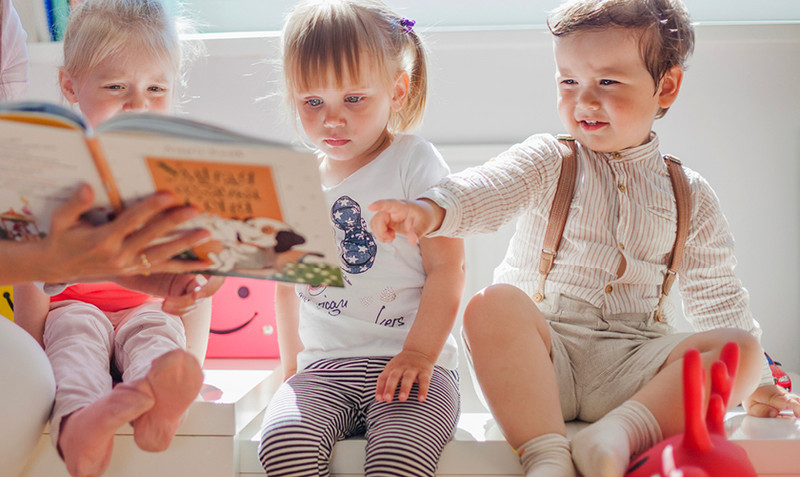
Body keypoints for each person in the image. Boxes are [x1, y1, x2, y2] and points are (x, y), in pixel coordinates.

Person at [369, 1, 800, 476]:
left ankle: (617, 434)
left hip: (637, 364)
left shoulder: (690, 192)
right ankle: (545, 454)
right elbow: (486, 188)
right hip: (545, 356)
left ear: (666, 86)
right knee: (491, 304)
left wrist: (759, 383)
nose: (584, 101)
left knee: (739, 347)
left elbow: (717, 295)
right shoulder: (550, 159)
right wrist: (429, 211)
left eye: (608, 82)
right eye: (568, 82)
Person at [0, 1, 216, 476]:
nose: (137, 104)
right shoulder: (56, 169)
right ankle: (80, 427)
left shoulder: (181, 172)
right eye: (117, 87)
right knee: (74, 347)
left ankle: (162, 413)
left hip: (148, 309)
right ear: (69, 86)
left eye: (156, 88)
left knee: (159, 342)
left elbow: (197, 285)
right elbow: (30, 279)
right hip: (72, 306)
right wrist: (32, 358)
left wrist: (193, 364)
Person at [258, 1, 465, 476]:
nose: (333, 120)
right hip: (324, 370)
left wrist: (418, 354)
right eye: (313, 102)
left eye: (353, 99)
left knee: (399, 454)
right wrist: (291, 368)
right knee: (281, 445)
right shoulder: (297, 179)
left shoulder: (414, 161)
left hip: (411, 364)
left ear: (397, 91)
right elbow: (289, 285)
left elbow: (447, 267)